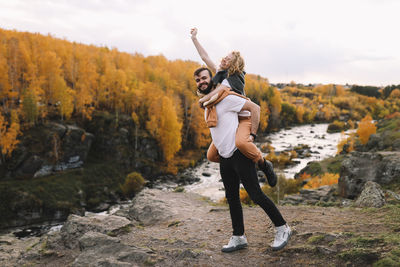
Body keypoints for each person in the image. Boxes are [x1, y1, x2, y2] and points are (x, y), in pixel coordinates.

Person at [193, 67, 291, 252]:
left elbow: (254, 108)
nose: (201, 82)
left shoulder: (227, 98)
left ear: (211, 79)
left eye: (204, 78)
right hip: (225, 157)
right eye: (198, 80)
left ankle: (282, 228)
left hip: (239, 154)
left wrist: (252, 135)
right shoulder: (208, 104)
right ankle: (239, 237)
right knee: (232, 198)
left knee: (256, 195)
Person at [191, 27, 277, 187]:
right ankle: (238, 166)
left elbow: (221, 90)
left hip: (244, 118)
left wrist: (202, 101)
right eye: (224, 57)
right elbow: (205, 56)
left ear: (234, 65)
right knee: (211, 155)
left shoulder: (234, 79)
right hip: (231, 120)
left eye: (228, 59)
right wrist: (194, 38)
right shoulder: (220, 74)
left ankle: (264, 164)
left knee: (242, 144)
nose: (224, 59)